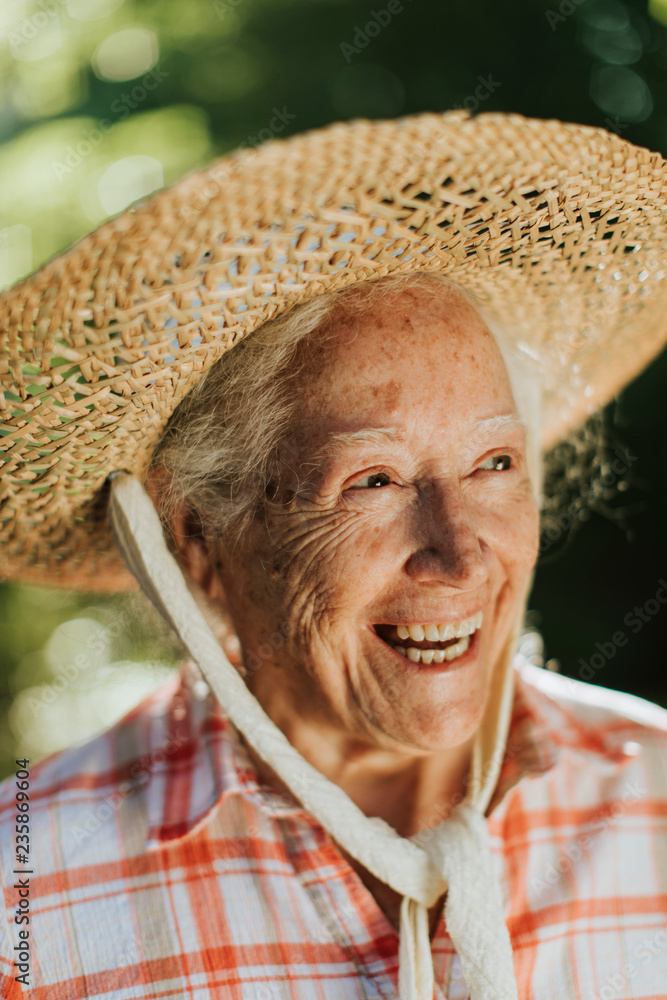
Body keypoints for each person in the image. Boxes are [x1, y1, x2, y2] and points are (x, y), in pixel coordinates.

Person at [0, 110, 666, 1000]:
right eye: (373, 481)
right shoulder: (26, 900)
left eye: (492, 464)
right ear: (197, 538)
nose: (459, 556)